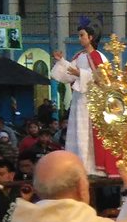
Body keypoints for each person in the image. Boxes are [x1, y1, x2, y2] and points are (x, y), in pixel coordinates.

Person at [50, 25, 120, 175]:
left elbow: (103, 78)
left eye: (82, 35)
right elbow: (69, 73)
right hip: (78, 99)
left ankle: (91, 167)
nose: (79, 38)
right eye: (79, 35)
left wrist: (81, 73)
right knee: (77, 130)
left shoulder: (99, 57)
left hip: (92, 101)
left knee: (89, 133)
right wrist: (61, 61)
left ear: (91, 37)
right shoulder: (79, 56)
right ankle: (78, 164)